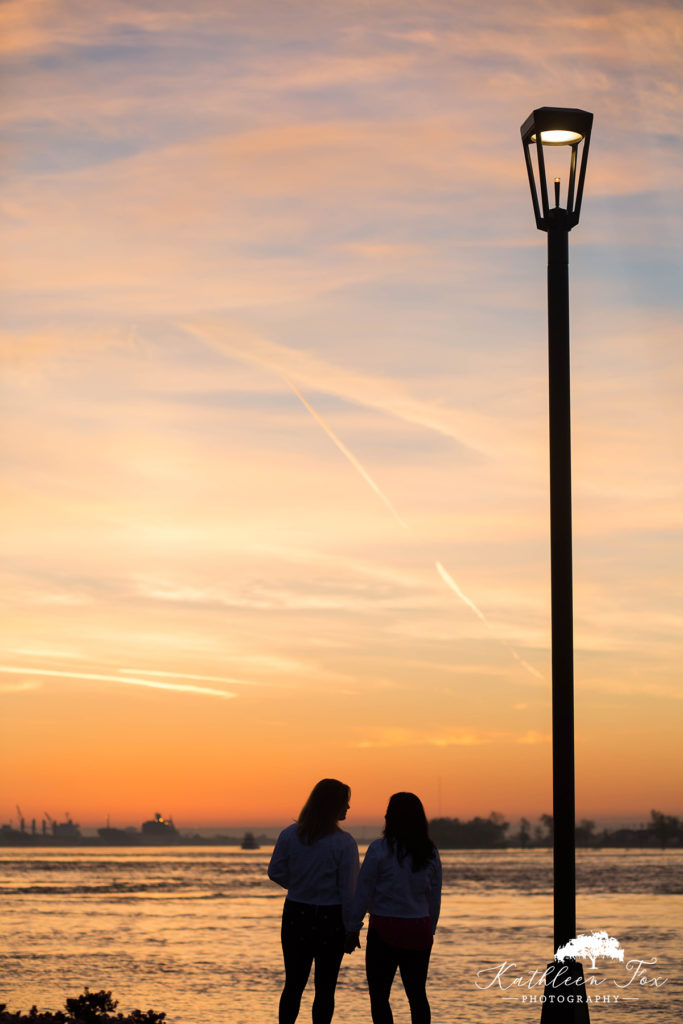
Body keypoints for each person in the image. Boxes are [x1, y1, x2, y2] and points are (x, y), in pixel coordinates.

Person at [268, 779, 360, 1024]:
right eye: (345, 802)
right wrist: (352, 928)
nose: (348, 807)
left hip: (296, 913)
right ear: (333, 805)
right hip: (331, 918)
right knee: (325, 987)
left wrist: (300, 885)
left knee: (293, 984)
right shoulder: (344, 842)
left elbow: (275, 871)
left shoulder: (289, 834)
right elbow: (349, 891)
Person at [346, 792, 441, 1024]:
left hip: (384, 929)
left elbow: (363, 892)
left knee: (379, 996)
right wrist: (430, 929)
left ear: (390, 817)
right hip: (419, 928)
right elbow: (434, 898)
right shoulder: (430, 852)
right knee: (417, 995)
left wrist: (352, 927)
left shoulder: (379, 849)